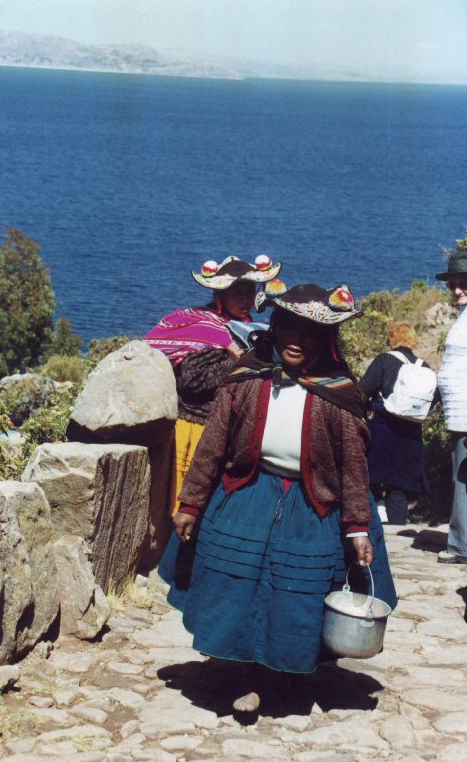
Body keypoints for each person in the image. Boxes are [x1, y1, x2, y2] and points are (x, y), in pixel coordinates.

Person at [159, 282, 397, 713]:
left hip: (312, 505)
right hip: (249, 493)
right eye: (289, 328)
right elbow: (213, 445)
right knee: (240, 587)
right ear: (275, 327)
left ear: (326, 339)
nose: (296, 341)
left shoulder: (339, 393)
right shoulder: (248, 378)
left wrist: (358, 527)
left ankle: (286, 673)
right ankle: (247, 675)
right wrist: (191, 503)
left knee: (294, 595)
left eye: (309, 333)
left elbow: (353, 468)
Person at [146, 255, 281, 512]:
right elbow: (192, 381)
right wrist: (233, 363)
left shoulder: (247, 329)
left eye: (249, 292)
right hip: (196, 430)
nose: (245, 300)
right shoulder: (206, 329)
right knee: (184, 510)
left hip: (227, 433)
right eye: (237, 293)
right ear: (220, 295)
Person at [436, 248, 467, 565]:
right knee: (463, 474)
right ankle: (463, 542)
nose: (456, 290)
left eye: (463, 283)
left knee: (463, 475)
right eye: (452, 284)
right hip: (463, 411)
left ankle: (463, 546)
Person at [359, 322, 432, 526]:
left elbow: (364, 391)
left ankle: (375, 523)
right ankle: (397, 528)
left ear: (391, 338)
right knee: (399, 487)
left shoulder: (384, 360)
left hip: (382, 429)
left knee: (371, 478)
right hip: (409, 433)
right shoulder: (423, 366)